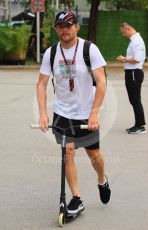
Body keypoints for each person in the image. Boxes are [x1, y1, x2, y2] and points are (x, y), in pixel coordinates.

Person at [37, 10, 111, 215]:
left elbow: (102, 82)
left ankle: (102, 179)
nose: (64, 30)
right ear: (56, 29)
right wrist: (43, 113)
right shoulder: (50, 53)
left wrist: (94, 113)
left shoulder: (89, 49)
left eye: (68, 25)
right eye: (60, 26)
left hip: (87, 112)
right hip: (62, 113)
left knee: (93, 154)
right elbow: (41, 84)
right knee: (68, 153)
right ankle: (77, 198)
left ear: (77, 26)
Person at [116, 22, 146, 134]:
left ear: (128, 29)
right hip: (132, 72)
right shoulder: (134, 40)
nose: (124, 35)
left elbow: (137, 59)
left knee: (135, 100)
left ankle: (140, 126)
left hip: (134, 72)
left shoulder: (136, 41)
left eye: (124, 33)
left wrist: (124, 59)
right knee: (134, 99)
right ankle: (138, 124)